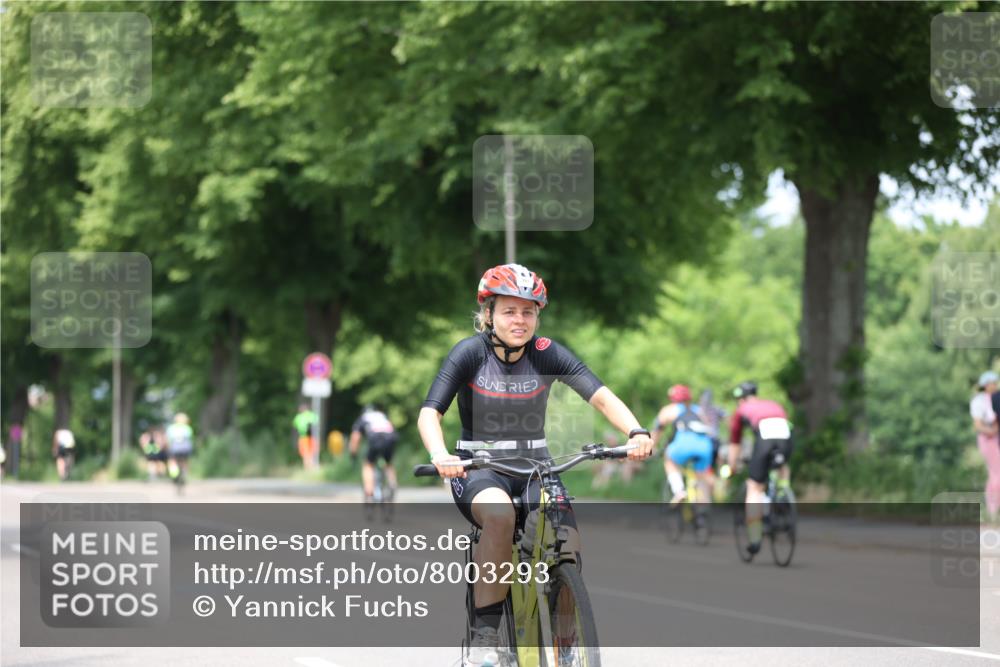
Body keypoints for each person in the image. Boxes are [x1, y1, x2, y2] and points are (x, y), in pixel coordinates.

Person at [417, 263, 653, 667]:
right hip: (478, 467)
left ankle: (566, 642)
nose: (520, 320)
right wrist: (440, 455)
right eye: (509, 311)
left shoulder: (546, 353)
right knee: (499, 516)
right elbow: (429, 414)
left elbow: (599, 395)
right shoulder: (469, 353)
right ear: (488, 314)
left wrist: (636, 430)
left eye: (528, 312)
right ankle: (486, 637)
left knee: (568, 541)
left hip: (536, 466)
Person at [727, 381, 793, 555]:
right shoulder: (773, 404)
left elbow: (735, 443)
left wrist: (732, 466)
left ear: (740, 399)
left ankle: (755, 538)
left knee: (754, 487)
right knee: (782, 464)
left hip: (764, 439)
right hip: (786, 437)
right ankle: (783, 493)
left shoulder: (741, 410)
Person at [651, 384, 715, 505]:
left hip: (684, 443)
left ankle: (679, 491)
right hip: (705, 445)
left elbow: (657, 430)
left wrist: (651, 446)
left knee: (669, 460)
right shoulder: (698, 410)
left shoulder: (670, 409)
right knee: (702, 479)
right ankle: (704, 510)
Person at [349, 404, 399, 502]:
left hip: (375, 438)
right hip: (391, 437)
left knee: (368, 465)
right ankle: (392, 483)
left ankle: (369, 492)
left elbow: (355, 437)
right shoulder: (382, 415)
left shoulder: (363, 418)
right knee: (388, 463)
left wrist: (353, 453)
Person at [971, 370, 999, 523]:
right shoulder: (979, 401)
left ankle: (993, 510)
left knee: (995, 475)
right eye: (992, 383)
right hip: (988, 439)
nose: (994, 386)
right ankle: (993, 510)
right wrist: (993, 430)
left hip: (996, 439)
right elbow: (978, 425)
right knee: (996, 474)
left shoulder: (994, 398)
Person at [165, 413, 194, 482]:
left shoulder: (171, 428)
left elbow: (168, 439)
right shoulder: (187, 428)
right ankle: (184, 474)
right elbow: (190, 438)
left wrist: (168, 447)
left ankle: (174, 475)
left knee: (172, 461)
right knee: (184, 461)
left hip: (175, 447)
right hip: (185, 448)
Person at [293, 403, 319, 469]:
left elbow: (295, 426)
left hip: (303, 436)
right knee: (311, 452)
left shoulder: (298, 417)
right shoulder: (311, 415)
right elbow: (316, 422)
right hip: (311, 436)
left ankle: (307, 466)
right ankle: (311, 466)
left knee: (306, 453)